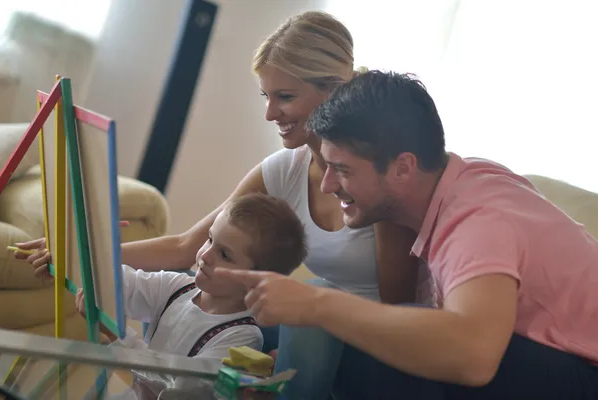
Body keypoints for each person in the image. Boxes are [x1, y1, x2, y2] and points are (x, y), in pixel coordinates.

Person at [14, 11, 429, 399]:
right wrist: (84, 257)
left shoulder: (376, 180)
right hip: (305, 332)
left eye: (284, 96)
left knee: (276, 316)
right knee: (218, 312)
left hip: (365, 347)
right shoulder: (285, 169)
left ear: (334, 91)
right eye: (265, 95)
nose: (270, 113)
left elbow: (396, 315)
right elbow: (184, 247)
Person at [214, 70, 598, 399]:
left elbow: (475, 355)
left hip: (585, 372)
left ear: (402, 169)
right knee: (307, 335)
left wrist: (319, 305)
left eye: (342, 170)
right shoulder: (464, 179)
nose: (328, 185)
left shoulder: (476, 218)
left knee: (365, 343)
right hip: (554, 362)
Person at [37, 193, 307, 391]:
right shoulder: (178, 287)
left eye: (225, 254)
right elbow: (119, 283)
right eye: (210, 239)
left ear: (255, 281)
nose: (205, 255)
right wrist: (93, 249)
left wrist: (115, 333)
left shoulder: (241, 337)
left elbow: (177, 387)